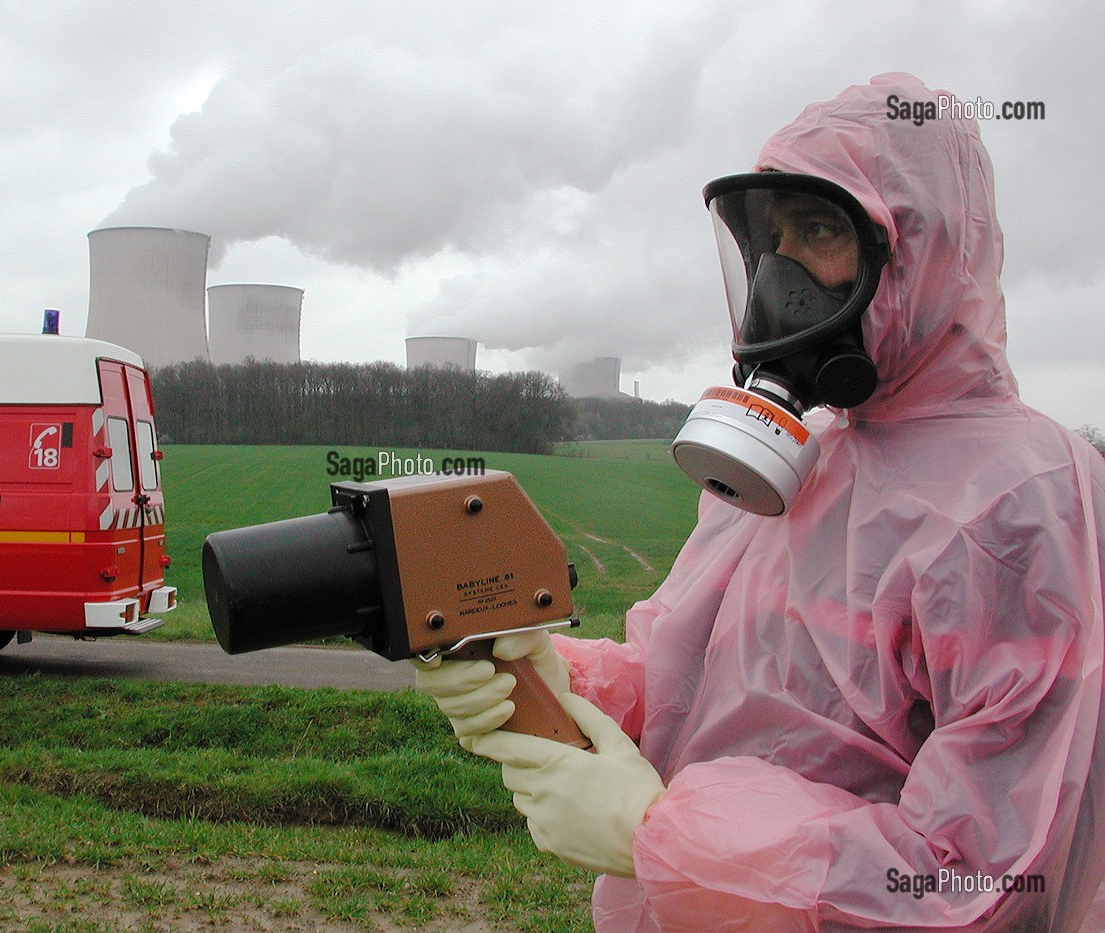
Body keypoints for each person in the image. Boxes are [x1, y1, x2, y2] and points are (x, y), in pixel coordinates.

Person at [415, 73, 1105, 932]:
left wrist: (657, 834)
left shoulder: (1017, 498)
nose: (780, 275)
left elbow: (984, 877)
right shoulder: (800, 456)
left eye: (817, 230)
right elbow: (686, 681)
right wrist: (548, 673)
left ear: (920, 250)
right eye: (769, 240)